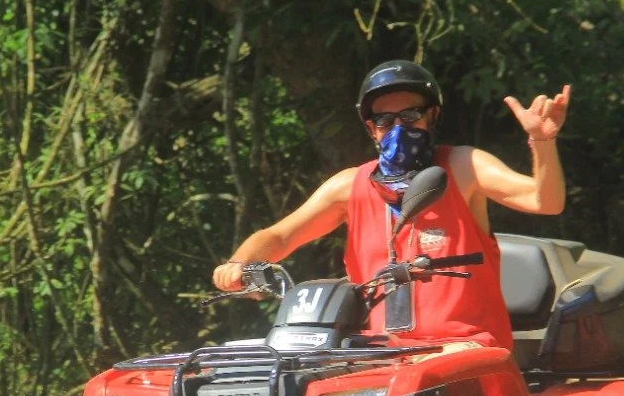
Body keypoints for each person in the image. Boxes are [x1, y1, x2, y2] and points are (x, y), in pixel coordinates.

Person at [211, 60, 571, 350]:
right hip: (381, 357)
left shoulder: (464, 168)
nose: (398, 128)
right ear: (372, 129)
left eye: (410, 116)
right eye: (385, 120)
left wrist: (542, 141)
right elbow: (280, 236)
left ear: (432, 116)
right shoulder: (348, 187)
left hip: (468, 350)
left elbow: (545, 201)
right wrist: (240, 263)